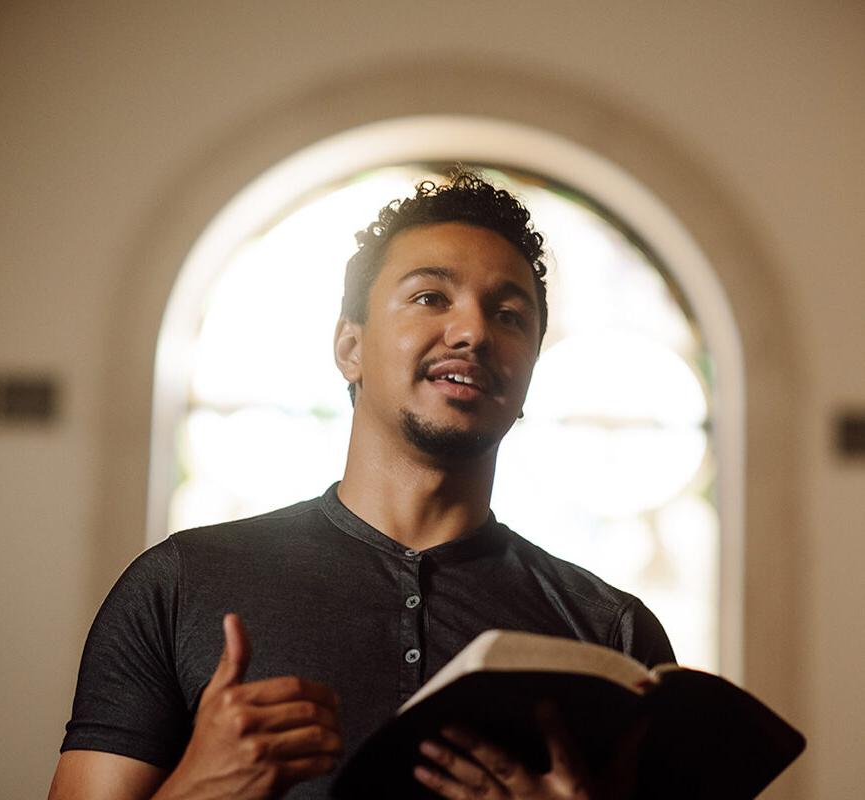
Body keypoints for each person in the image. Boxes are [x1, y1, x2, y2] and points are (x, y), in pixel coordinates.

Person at [49, 172, 674, 800]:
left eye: (508, 315)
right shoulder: (177, 585)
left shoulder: (609, 633)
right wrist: (201, 787)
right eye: (431, 297)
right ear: (350, 347)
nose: (473, 333)